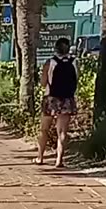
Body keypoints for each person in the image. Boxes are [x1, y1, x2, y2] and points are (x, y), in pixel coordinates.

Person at [37, 37, 78, 168]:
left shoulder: (50, 62)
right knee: (62, 132)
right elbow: (77, 79)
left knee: (44, 129)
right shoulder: (74, 62)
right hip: (67, 99)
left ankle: (40, 157)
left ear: (56, 48)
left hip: (51, 98)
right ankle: (59, 160)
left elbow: (43, 83)